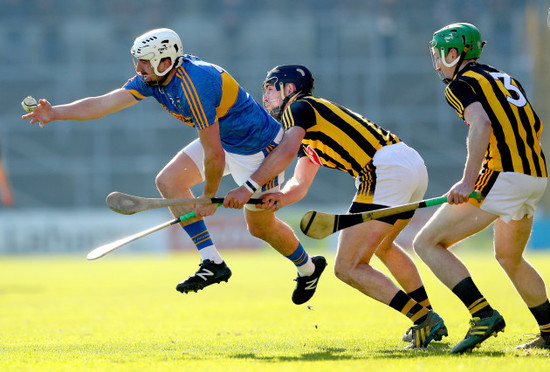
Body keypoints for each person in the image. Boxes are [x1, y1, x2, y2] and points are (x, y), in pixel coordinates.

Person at [21, 28, 327, 305]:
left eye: (144, 62)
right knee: (169, 182)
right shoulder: (152, 81)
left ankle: (308, 268)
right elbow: (102, 104)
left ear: (165, 62)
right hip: (224, 142)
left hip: (261, 150)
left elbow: (214, 156)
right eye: (137, 61)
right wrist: (55, 113)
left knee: (260, 228)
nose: (138, 69)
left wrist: (208, 196)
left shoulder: (195, 85)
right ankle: (212, 262)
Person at [224, 64, 447, 348]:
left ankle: (423, 319)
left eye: (270, 88)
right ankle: (428, 317)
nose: (265, 97)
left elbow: (287, 151)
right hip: (410, 163)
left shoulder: (298, 109)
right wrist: (281, 197)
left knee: (347, 267)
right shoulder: (308, 124)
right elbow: (300, 183)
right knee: (384, 247)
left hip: (381, 169)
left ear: (289, 89)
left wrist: (248, 187)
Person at [414, 22, 550, 353]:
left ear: (454, 53)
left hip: (504, 175)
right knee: (509, 256)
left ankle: (482, 315)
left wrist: (469, 180)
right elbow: (531, 123)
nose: (436, 63)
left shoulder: (460, 84)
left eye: (438, 55)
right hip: (535, 176)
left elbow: (482, 124)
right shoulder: (504, 78)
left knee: (427, 243)